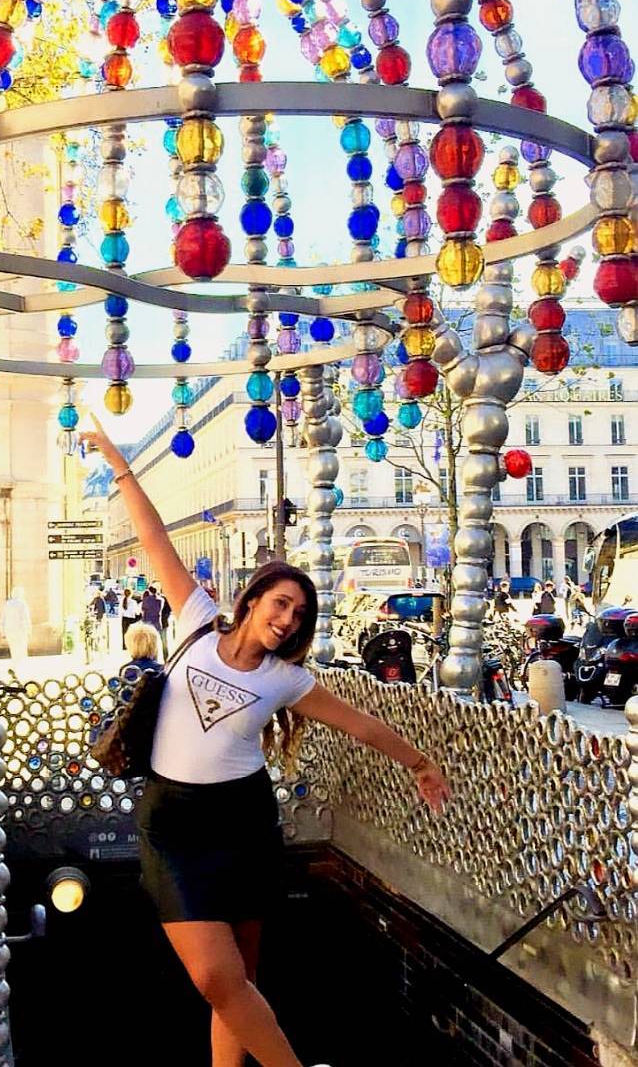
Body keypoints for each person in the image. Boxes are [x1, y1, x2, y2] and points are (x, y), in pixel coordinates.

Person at [80, 416, 449, 1067]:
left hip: (244, 823)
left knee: (238, 987)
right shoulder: (195, 621)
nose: (287, 620)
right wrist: (118, 461)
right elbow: (153, 536)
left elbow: (357, 722)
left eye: (299, 615)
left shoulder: (287, 680)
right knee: (214, 978)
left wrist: (418, 761)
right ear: (251, 601)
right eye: (280, 604)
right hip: (172, 825)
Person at [3, 586, 32, 663]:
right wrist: (29, 630)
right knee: (22, 648)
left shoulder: (8, 604)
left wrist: (2, 631)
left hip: (9, 629)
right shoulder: (23, 603)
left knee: (13, 649)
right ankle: (22, 663)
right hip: (21, 629)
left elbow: (3, 618)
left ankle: (15, 663)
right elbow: (26, 618)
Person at [141, 584, 166, 660]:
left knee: (149, 642)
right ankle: (156, 657)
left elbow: (143, 610)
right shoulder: (161, 600)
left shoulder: (146, 600)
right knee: (156, 641)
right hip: (157, 622)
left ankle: (150, 657)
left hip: (148, 622)